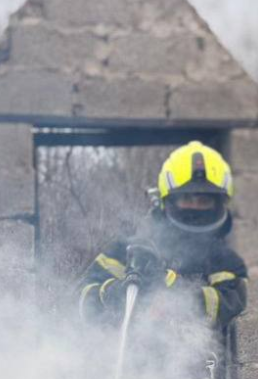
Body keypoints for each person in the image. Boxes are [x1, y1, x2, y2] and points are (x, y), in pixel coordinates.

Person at [77, 140, 248, 342]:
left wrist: (169, 285)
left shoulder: (226, 261)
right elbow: (83, 299)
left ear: (219, 204)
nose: (195, 207)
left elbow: (229, 305)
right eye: (187, 199)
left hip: (203, 359)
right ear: (166, 201)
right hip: (124, 357)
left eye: (204, 201)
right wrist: (114, 293)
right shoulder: (130, 249)